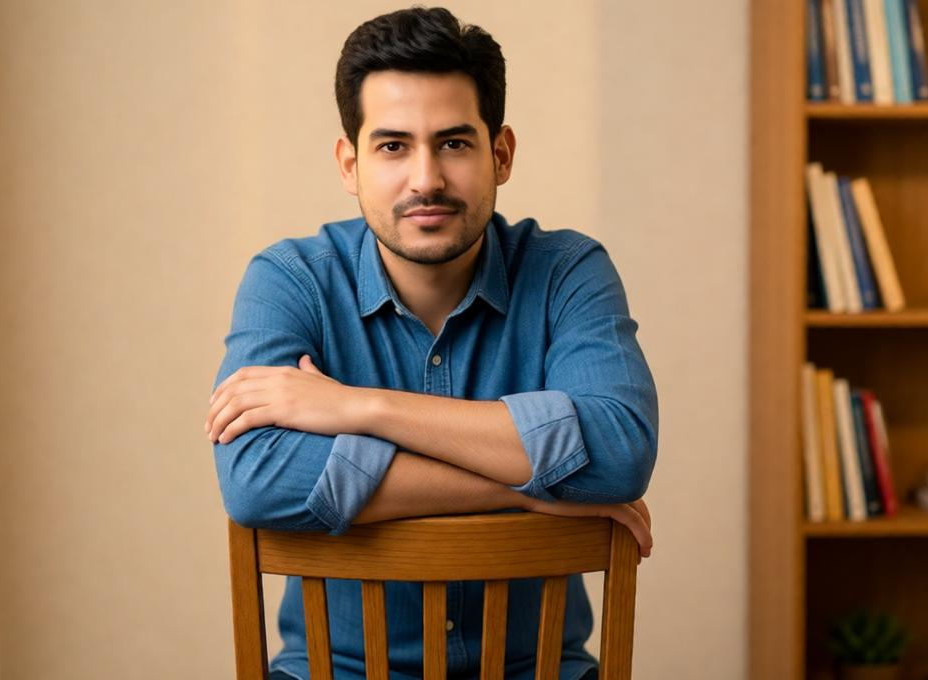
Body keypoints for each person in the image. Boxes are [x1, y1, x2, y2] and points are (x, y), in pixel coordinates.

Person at [204, 7, 658, 679]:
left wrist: (362, 409)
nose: (426, 180)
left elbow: (619, 451)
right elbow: (255, 481)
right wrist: (528, 488)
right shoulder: (290, 278)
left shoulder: (568, 271)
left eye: (453, 143)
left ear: (499, 153)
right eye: (392, 146)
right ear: (349, 162)